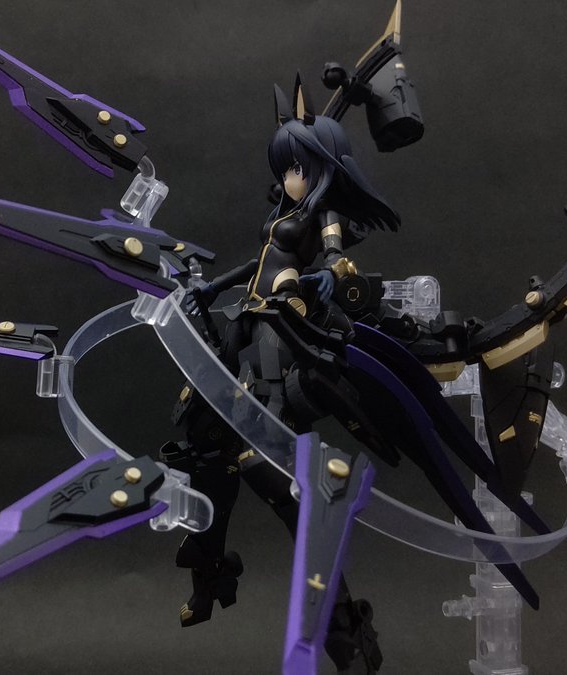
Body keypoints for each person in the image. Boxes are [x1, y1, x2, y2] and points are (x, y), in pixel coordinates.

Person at [163, 104, 398, 673]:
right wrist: (212, 287)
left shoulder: (325, 213)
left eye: (297, 167)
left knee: (270, 458)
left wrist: (326, 276)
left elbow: (337, 262)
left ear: (321, 168)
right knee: (201, 439)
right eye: (285, 167)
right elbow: (260, 261)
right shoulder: (286, 212)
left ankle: (344, 626)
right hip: (248, 317)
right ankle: (210, 574)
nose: (289, 177)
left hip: (282, 324)